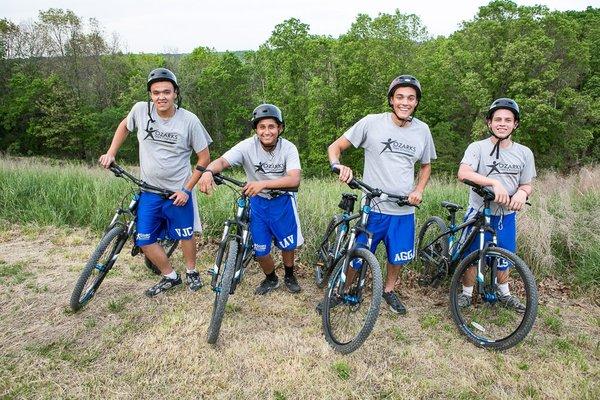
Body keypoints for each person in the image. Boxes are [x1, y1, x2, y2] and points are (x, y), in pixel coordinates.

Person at [326, 75, 437, 315]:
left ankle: (388, 290)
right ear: (391, 100)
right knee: (357, 256)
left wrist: (418, 190)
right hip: (374, 207)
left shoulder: (422, 130)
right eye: (400, 97)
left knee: (398, 257)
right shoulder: (371, 122)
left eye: (411, 98)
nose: (405, 102)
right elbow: (334, 148)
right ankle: (343, 291)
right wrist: (338, 165)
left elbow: (426, 165)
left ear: (417, 102)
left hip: (403, 209)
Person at [99, 67, 212, 297]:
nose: (161, 96)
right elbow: (124, 126)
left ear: (175, 93)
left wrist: (187, 190)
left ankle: (191, 271)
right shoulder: (140, 110)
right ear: (150, 94)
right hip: (148, 190)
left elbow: (204, 157)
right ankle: (170, 275)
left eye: (166, 92)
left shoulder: (189, 120)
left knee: (185, 234)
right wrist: (111, 152)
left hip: (178, 191)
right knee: (144, 239)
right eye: (156, 92)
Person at [198, 104, 303, 295]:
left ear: (280, 128)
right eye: (262, 127)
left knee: (288, 244)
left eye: (271, 127)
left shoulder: (288, 148)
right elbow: (222, 161)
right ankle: (271, 278)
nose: (267, 132)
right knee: (261, 249)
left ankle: (289, 274)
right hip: (258, 203)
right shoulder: (247, 146)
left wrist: (262, 183)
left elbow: (294, 178)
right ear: (256, 129)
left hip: (283, 201)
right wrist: (208, 171)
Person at [456, 98, 535, 312]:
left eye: (508, 120)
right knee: (471, 256)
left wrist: (521, 192)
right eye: (497, 119)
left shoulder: (524, 153)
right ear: (489, 123)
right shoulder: (477, 147)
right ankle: (466, 293)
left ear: (515, 124)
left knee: (505, 256)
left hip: (506, 215)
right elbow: (463, 173)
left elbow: (527, 184)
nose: (502, 123)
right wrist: (493, 182)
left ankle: (505, 293)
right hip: (479, 212)